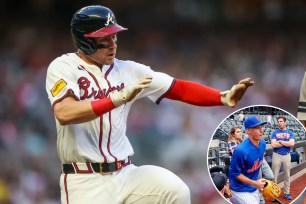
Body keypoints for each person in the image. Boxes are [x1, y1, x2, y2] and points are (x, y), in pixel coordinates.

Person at [45, 5, 254, 204]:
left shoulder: (129, 71)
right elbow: (64, 112)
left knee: (175, 191)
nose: (113, 43)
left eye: (114, 36)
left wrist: (221, 97)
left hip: (125, 172)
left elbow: (177, 88)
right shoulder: (64, 67)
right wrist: (116, 99)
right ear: (85, 41)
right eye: (105, 39)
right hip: (85, 179)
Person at [228, 116, 267, 203]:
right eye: (257, 128)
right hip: (240, 189)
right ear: (248, 131)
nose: (261, 130)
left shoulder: (263, 143)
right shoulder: (241, 150)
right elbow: (234, 173)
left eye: (261, 127)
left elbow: (256, 165)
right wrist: (255, 183)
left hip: (253, 187)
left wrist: (258, 184)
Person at [271, 116, 295, 200]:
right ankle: (273, 194)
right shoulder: (274, 132)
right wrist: (286, 142)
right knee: (274, 176)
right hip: (276, 154)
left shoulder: (290, 132)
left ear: (285, 122)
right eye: (278, 121)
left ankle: (287, 193)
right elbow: (274, 145)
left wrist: (280, 141)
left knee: (287, 175)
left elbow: (292, 144)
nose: (279, 123)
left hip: (287, 155)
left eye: (281, 121)